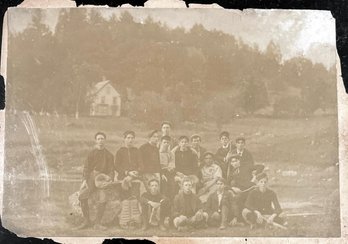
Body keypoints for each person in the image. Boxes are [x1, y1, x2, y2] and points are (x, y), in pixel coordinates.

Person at [77, 132, 115, 230]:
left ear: (105, 140)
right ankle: (87, 221)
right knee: (82, 196)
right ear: (95, 140)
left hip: (103, 180)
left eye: (102, 139)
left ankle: (97, 223)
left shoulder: (109, 155)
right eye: (98, 139)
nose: (100, 141)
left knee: (103, 199)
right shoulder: (91, 153)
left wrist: (109, 179)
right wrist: (85, 180)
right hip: (92, 178)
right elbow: (86, 168)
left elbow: (111, 170)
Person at [115, 130, 143, 197]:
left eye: (132, 138)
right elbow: (116, 166)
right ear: (124, 139)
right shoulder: (120, 151)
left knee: (135, 199)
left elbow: (141, 165)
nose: (130, 140)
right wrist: (127, 173)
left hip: (135, 178)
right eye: (128, 138)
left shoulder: (137, 151)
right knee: (124, 200)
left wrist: (136, 172)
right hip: (122, 178)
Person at [159, 135, 176, 200]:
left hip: (169, 172)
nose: (166, 144)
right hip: (160, 172)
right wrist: (162, 174)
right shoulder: (158, 153)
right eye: (164, 142)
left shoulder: (171, 153)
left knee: (172, 184)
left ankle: (171, 203)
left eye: (167, 143)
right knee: (164, 184)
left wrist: (171, 168)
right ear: (161, 143)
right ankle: (163, 201)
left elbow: (172, 164)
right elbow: (158, 165)